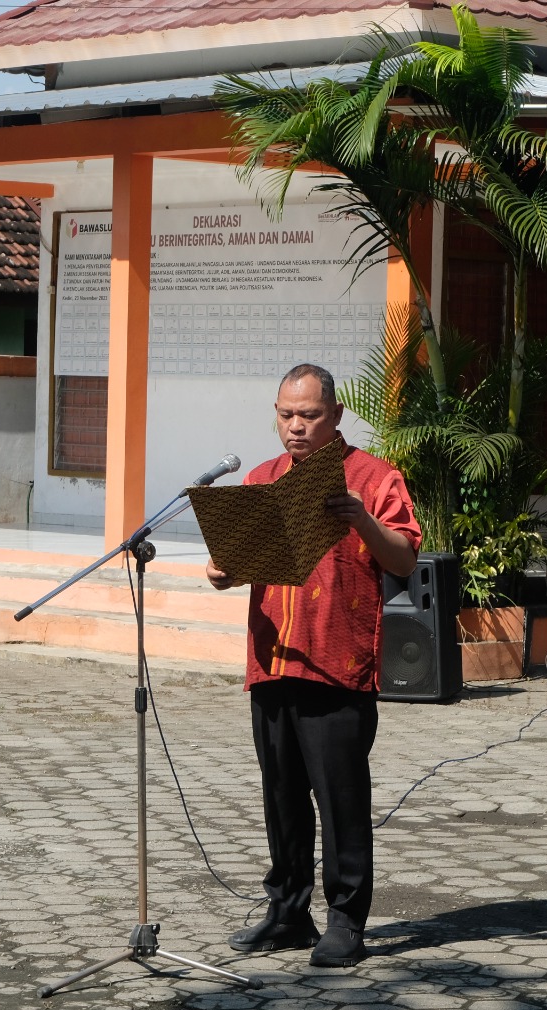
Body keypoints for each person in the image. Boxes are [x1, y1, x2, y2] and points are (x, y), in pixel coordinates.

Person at [204, 363, 421, 968]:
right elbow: (240, 565)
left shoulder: (374, 477)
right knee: (281, 796)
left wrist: (361, 518)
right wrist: (223, 572)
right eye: (286, 415)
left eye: (309, 415)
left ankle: (347, 921)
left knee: (340, 799)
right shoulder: (262, 479)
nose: (295, 427)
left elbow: (404, 559)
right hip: (272, 659)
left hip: (336, 665)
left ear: (336, 415)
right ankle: (287, 913)